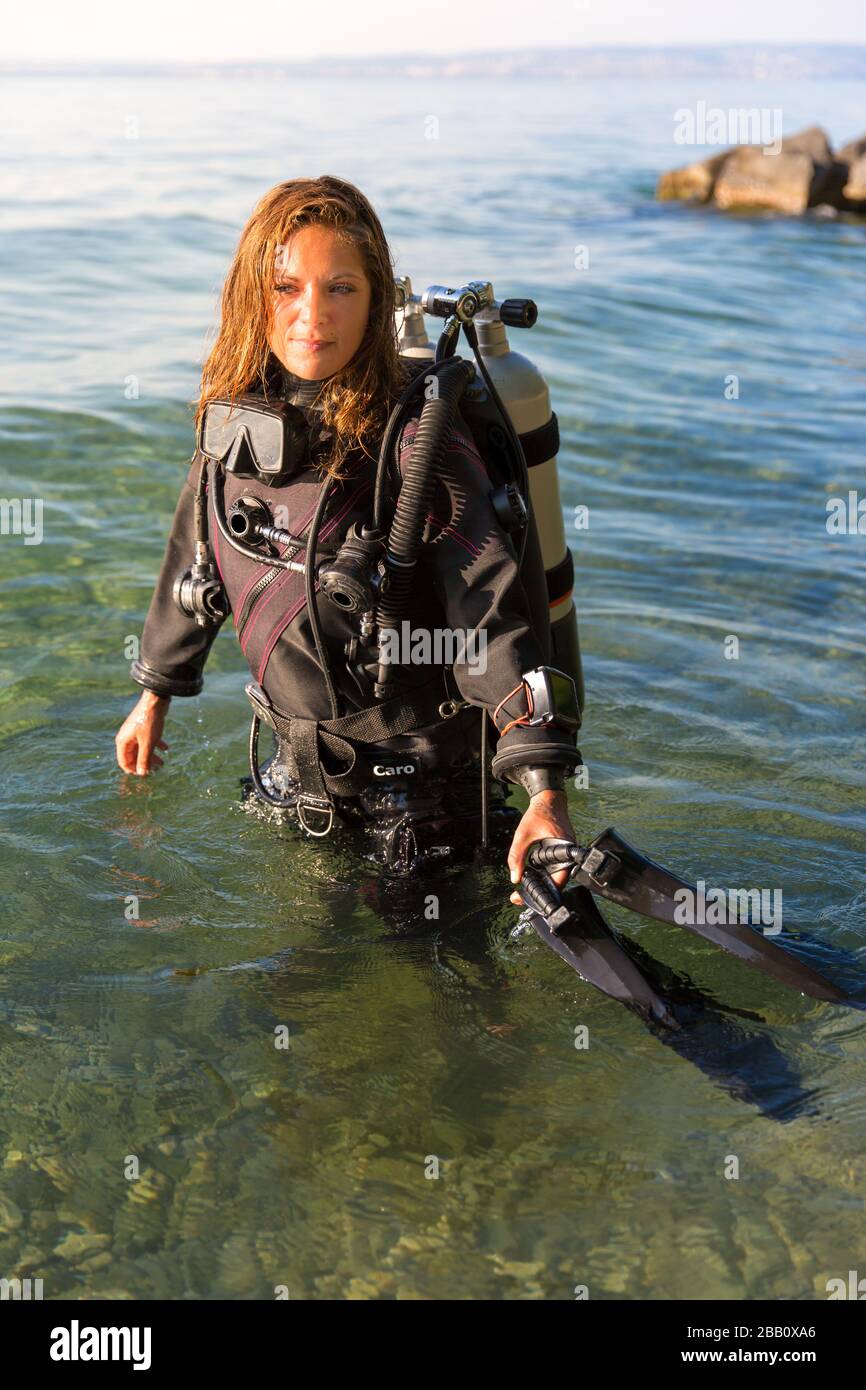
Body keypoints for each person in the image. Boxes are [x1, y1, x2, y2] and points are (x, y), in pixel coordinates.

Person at [114, 176, 581, 901]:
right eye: (286, 286)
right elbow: (195, 565)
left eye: (341, 289)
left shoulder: (417, 441)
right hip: (293, 770)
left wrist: (544, 788)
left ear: (374, 302)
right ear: (250, 293)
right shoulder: (233, 420)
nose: (312, 316)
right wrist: (156, 694)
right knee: (303, 980)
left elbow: (486, 618)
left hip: (422, 794)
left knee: (439, 989)